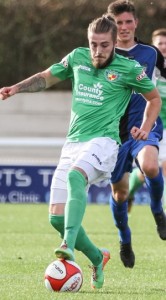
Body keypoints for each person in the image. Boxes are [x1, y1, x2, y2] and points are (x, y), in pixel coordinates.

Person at [0, 16, 161, 287]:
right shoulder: (77, 58)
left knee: (77, 176)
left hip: (105, 142)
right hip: (73, 143)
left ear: (114, 43)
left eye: (104, 45)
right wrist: (15, 89)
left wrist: (145, 127)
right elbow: (45, 78)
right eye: (93, 45)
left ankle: (68, 245)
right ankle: (98, 257)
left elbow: (153, 98)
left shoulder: (129, 68)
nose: (98, 51)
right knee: (55, 217)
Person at [106, 0, 166, 269]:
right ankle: (124, 238)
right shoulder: (102, 54)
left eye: (128, 22)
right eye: (119, 23)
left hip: (145, 126)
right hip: (112, 134)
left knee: (151, 166)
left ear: (136, 23)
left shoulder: (151, 53)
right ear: (111, 25)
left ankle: (157, 211)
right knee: (119, 194)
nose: (124, 27)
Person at [128, 28, 166, 212]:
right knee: (152, 170)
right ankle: (130, 191)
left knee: (157, 169)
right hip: (155, 124)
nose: (164, 47)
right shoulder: (149, 67)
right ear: (155, 47)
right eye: (160, 43)